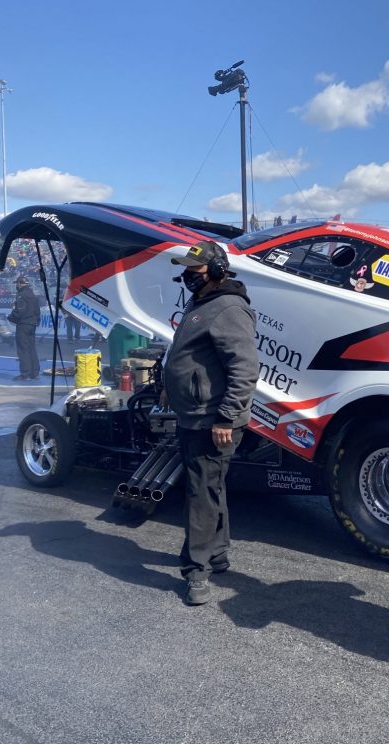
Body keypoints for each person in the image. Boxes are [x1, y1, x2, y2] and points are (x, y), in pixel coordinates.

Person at [162, 240, 258, 606]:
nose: (187, 276)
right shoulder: (202, 302)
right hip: (196, 414)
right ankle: (216, 554)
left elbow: (245, 370)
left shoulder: (228, 308)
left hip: (212, 420)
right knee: (211, 486)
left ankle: (196, 571)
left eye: (195, 270)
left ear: (218, 270)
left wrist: (226, 417)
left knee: (200, 494)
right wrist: (171, 387)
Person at [8, 276, 40, 380]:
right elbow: (37, 312)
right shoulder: (33, 295)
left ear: (20, 284)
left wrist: (10, 318)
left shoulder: (21, 296)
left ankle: (25, 373)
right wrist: (35, 322)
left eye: (17, 283)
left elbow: (19, 312)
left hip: (23, 324)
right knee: (32, 347)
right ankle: (34, 372)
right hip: (32, 324)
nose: (16, 285)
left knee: (23, 349)